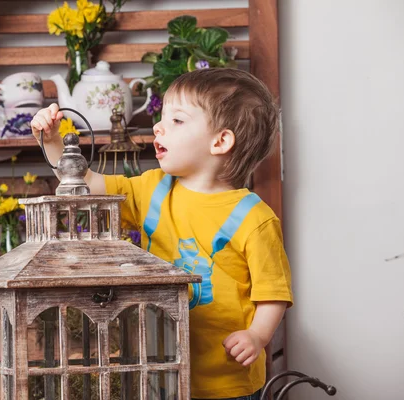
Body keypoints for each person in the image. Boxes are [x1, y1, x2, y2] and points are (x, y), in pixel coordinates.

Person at [31, 68, 293, 400]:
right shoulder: (153, 189)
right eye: (162, 117)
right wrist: (54, 143)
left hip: (227, 381)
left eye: (177, 121)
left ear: (221, 141)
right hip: (159, 368)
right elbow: (87, 185)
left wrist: (256, 336)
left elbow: (273, 293)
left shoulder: (254, 218)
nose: (159, 126)